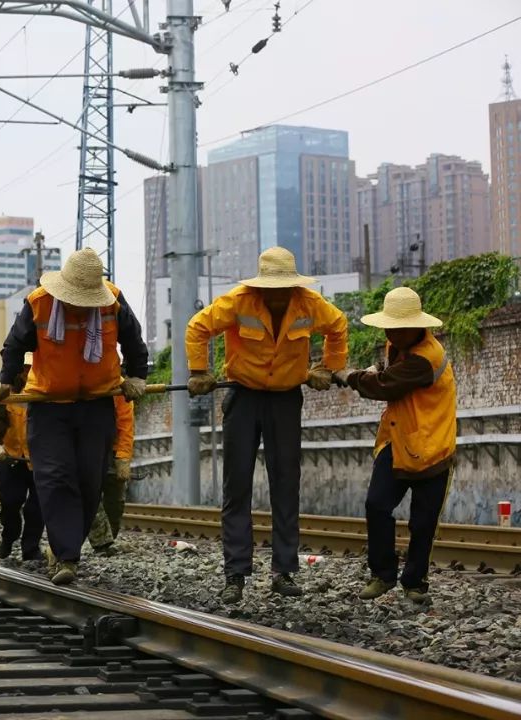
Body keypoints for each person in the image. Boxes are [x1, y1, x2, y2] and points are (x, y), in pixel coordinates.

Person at [186, 246, 348, 603]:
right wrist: (199, 371)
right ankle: (235, 574)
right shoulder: (238, 301)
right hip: (243, 396)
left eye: (285, 286)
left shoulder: (308, 303)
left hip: (285, 398)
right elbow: (198, 327)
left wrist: (327, 366)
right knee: (237, 486)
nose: (279, 292)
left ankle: (284, 570)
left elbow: (338, 326)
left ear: (293, 285)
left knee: (286, 483)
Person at [0, 247, 149, 585]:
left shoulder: (113, 301)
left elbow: (135, 343)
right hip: (50, 405)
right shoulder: (39, 302)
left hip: (96, 403)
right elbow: (14, 346)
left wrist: (137, 377)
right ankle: (66, 557)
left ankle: (64, 548)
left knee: (89, 481)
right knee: (54, 477)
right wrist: (6, 382)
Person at [333, 287, 455, 605]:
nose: (390, 332)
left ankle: (415, 583)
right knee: (377, 504)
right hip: (398, 440)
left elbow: (385, 386)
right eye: (388, 326)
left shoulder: (427, 358)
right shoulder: (397, 344)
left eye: (396, 327)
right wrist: (375, 369)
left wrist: (350, 376)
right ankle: (383, 575)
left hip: (432, 449)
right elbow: (387, 375)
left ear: (416, 326)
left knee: (423, 522)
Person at [0, 353, 43, 561]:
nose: (28, 372)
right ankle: (8, 538)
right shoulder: (6, 393)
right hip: (12, 459)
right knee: (10, 502)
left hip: (40, 460)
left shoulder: (48, 392)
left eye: (31, 368)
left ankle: (31, 548)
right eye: (25, 368)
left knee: (38, 507)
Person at [86, 393, 135, 555]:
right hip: (88, 446)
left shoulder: (120, 392)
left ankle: (109, 539)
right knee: (89, 494)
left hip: (111, 450)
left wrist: (123, 457)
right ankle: (102, 542)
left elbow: (125, 423)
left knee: (116, 498)